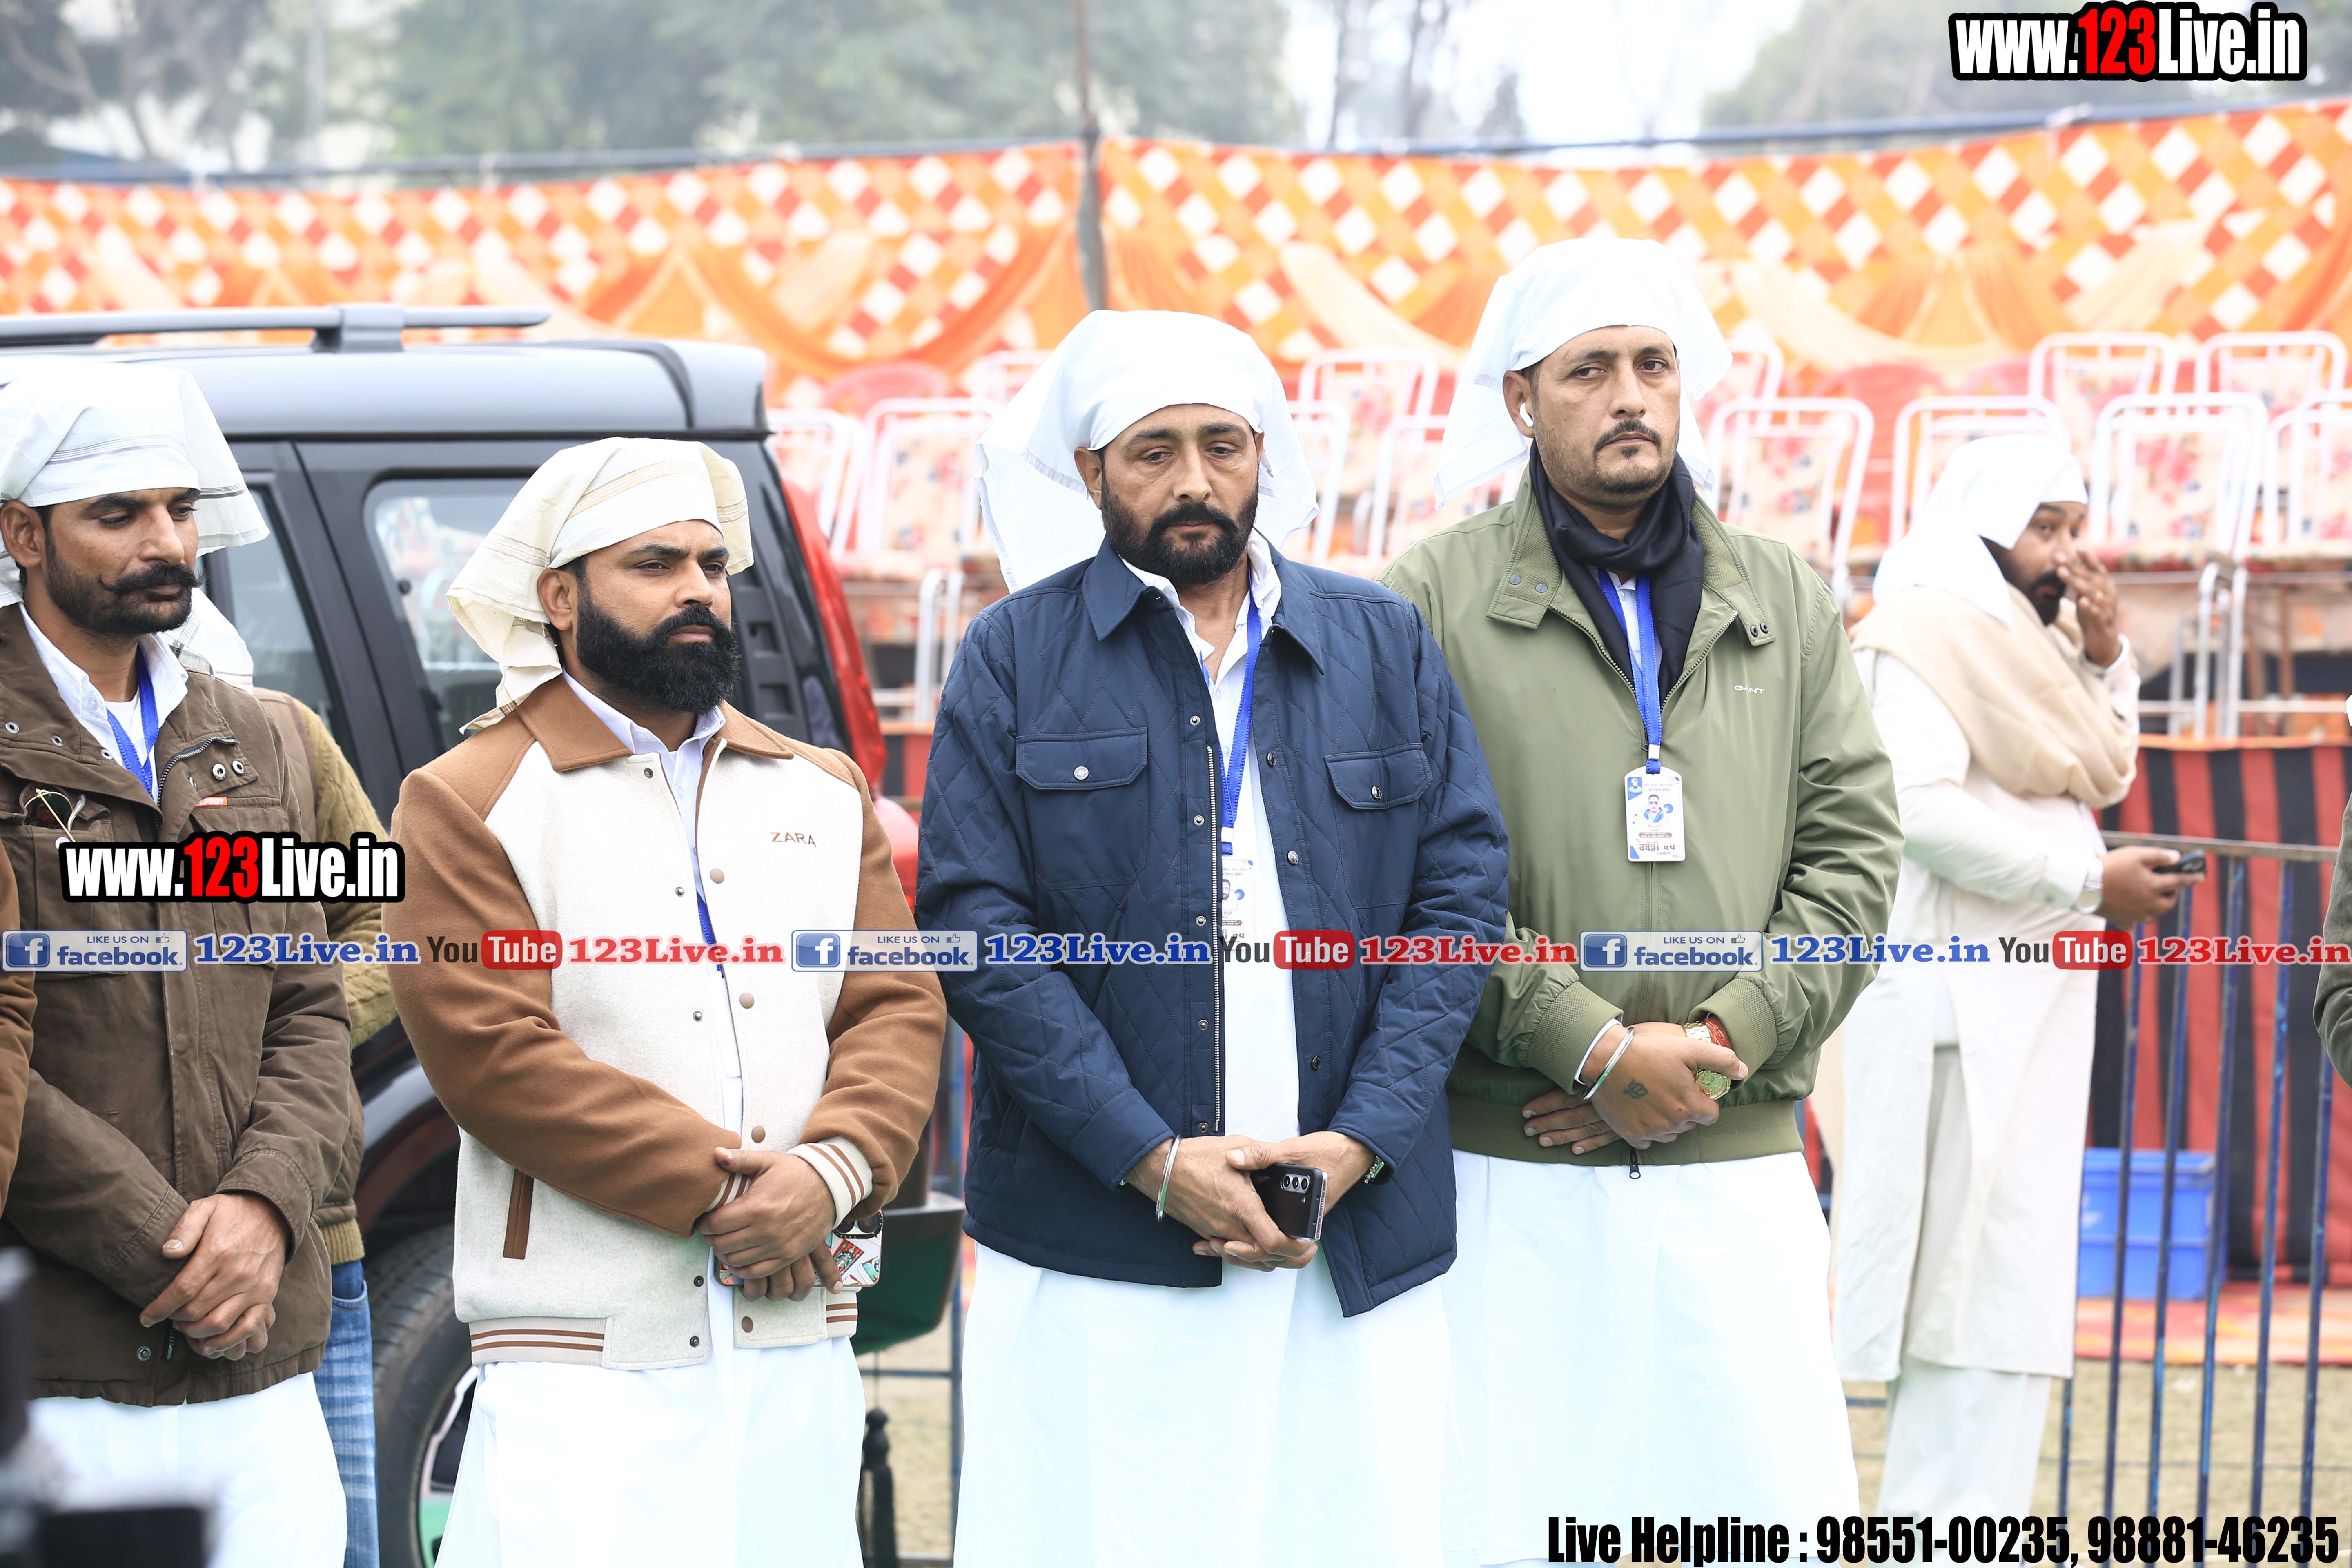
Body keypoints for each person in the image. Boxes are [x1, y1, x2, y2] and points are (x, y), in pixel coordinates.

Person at [918, 309, 1510, 1568]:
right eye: (1154, 451)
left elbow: (1460, 897)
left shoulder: (1379, 639)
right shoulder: (1013, 657)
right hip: (1102, 1237)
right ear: (1093, 473)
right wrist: (1148, 1159)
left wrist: (1362, 1139)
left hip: (1347, 1225)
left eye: (1222, 445)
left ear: (1261, 458)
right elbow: (976, 929)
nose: (1194, 479)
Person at [1378, 238, 1901, 1557]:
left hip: (1737, 1162)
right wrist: (1592, 1048)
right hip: (1518, 1164)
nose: (1629, 396)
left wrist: (1716, 1046)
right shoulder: (1427, 601)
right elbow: (1402, 876)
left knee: (1753, 1517)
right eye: (1590, 370)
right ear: (1520, 398)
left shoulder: (1783, 595)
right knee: (1513, 1519)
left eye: (1654, 364)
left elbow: (1852, 858)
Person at [383, 437, 944, 1568]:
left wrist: (829, 1179)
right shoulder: (465, 800)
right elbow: (493, 1055)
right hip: (583, 1353)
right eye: (653, 565)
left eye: (710, 564)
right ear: (559, 598)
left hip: (798, 1325)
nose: (697, 589)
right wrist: (743, 1199)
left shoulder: (825, 790)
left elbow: (895, 1005)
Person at [0, 361, 354, 1566]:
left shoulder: (257, 738)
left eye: (181, 508)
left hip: (262, 1356)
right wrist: (173, 1247)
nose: (165, 542)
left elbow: (306, 1003)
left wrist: (262, 1209)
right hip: (56, 1364)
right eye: (119, 514)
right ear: (24, 535)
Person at [1835, 434, 2196, 1514]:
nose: (2067, 553)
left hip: (2028, 1005)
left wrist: (2105, 656)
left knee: (2010, 1300)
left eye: (2076, 528)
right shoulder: (1920, 637)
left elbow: (2106, 766)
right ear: (1981, 529)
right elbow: (1917, 811)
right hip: (1956, 1012)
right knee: (1958, 1305)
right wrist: (2086, 880)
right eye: (2045, 528)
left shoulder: (2036, 645)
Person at [173, 590, 394, 1568]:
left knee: (333, 1539)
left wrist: (282, 1031)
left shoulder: (289, 738)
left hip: (313, 1233)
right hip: (99, 1255)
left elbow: (382, 919)